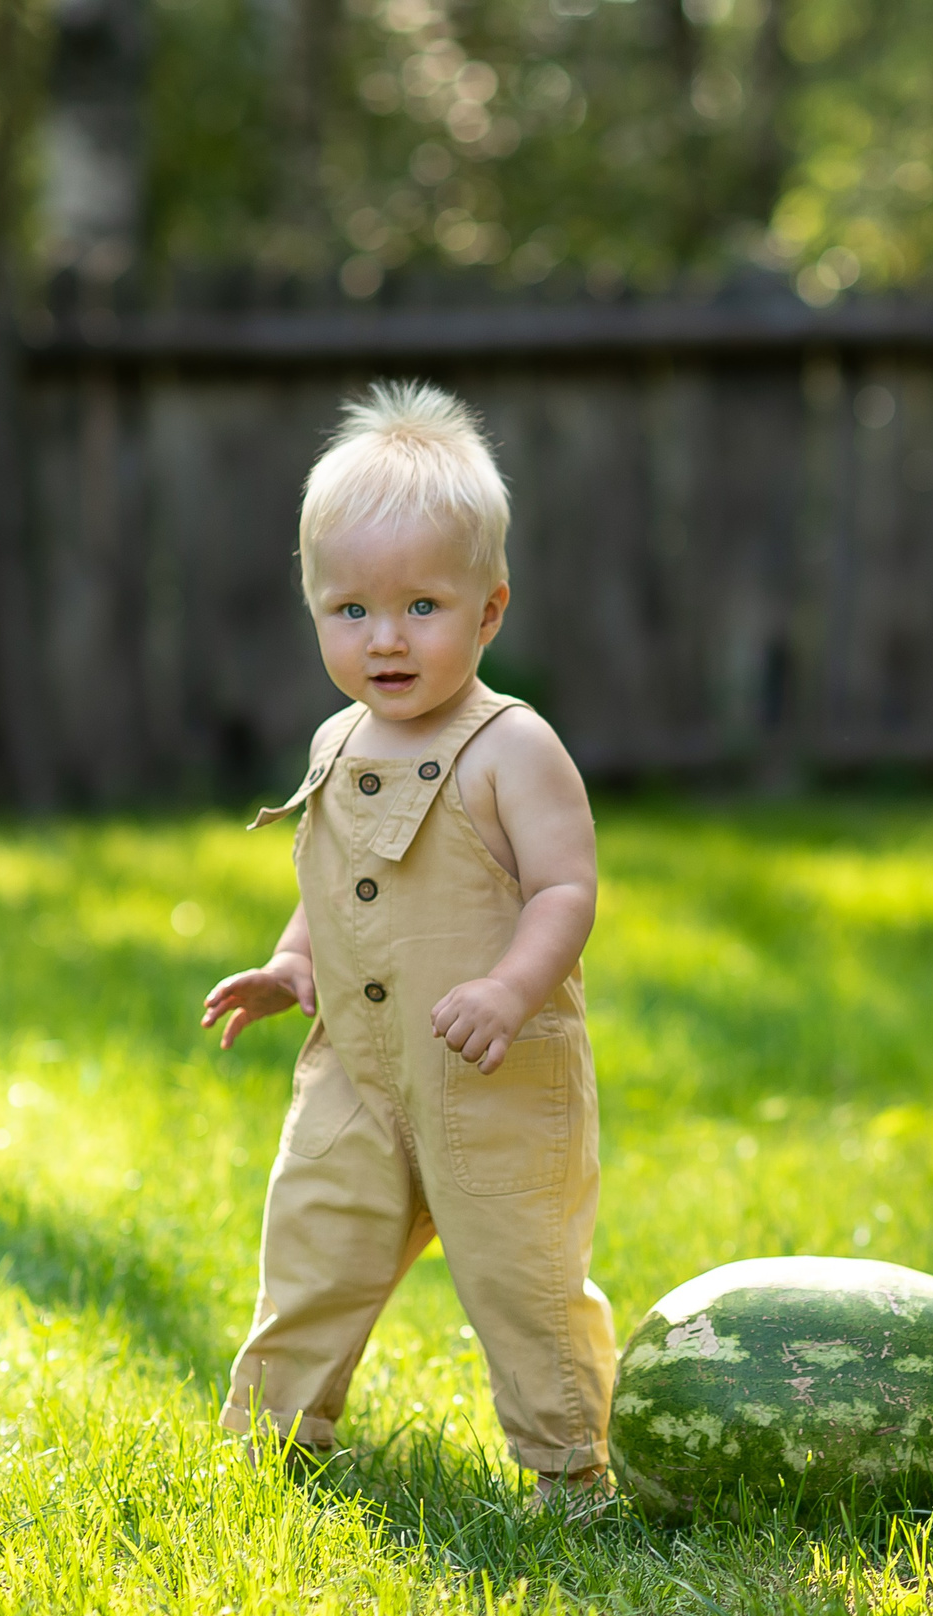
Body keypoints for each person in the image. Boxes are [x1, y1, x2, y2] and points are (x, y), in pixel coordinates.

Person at [200, 380, 613, 1509]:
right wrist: (291, 966)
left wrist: (509, 987)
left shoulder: (511, 745)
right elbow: (333, 883)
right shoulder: (339, 738)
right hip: (357, 1070)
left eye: (422, 606)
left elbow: (566, 889)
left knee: (520, 1274)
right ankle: (272, 1441)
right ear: (314, 607)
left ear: (488, 611)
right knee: (311, 1248)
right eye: (351, 610)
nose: (385, 637)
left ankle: (567, 1462)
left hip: (493, 1071)